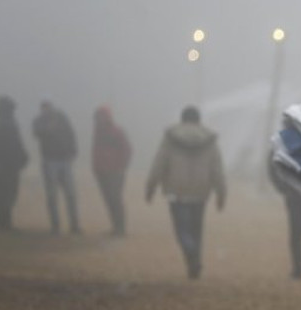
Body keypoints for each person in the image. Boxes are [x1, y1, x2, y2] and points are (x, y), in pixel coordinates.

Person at [145, 106, 227, 279]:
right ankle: (194, 262)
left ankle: (190, 253)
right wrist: (221, 193)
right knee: (197, 229)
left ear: (182, 119)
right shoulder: (209, 139)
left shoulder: (170, 138)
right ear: (198, 120)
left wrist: (151, 187)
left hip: (177, 191)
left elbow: (159, 163)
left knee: (181, 229)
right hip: (200, 192)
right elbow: (217, 168)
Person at [33, 100, 81, 234]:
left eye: (47, 107)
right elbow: (37, 133)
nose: (45, 109)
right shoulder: (39, 121)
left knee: (70, 194)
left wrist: (73, 151)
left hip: (64, 160)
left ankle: (74, 225)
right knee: (52, 195)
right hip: (49, 161)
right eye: (43, 107)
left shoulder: (62, 118)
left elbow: (71, 134)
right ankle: (55, 226)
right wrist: (48, 129)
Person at [0, 95, 28, 230]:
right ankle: (3, 222)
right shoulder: (4, 123)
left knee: (1, 194)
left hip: (1, 166)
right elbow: (12, 145)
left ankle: (0, 222)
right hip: (5, 166)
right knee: (6, 194)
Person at [91, 106, 132, 236]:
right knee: (108, 199)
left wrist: (121, 166)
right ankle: (115, 227)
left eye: (101, 116)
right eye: (98, 117)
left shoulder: (117, 132)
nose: (99, 119)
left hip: (115, 172)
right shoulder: (98, 132)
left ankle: (121, 228)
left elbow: (127, 150)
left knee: (115, 199)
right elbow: (96, 150)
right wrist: (96, 167)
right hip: (102, 171)